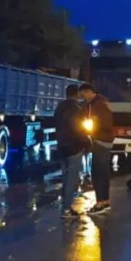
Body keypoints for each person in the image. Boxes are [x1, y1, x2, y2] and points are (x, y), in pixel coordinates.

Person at [79, 83, 116, 214]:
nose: (83, 98)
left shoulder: (99, 105)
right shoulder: (93, 104)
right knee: (103, 171)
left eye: (84, 95)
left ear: (89, 92)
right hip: (102, 140)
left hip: (101, 140)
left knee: (98, 172)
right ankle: (105, 201)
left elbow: (104, 123)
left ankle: (100, 202)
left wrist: (92, 128)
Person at [54, 84, 90, 218]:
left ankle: (65, 207)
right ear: (77, 94)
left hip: (61, 146)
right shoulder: (76, 109)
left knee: (65, 177)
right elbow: (78, 129)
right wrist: (87, 142)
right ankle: (66, 209)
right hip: (74, 147)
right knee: (72, 179)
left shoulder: (59, 108)